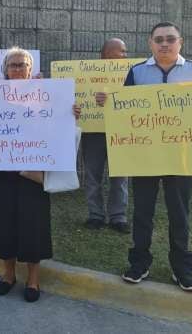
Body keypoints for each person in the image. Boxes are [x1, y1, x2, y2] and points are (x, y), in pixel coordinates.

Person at [96, 22, 192, 293]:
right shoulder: (137, 71)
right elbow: (124, 109)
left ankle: (182, 269)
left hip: (181, 157)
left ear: (180, 42)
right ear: (150, 43)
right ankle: (139, 263)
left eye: (170, 39)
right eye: (159, 39)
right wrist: (107, 101)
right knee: (142, 212)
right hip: (145, 157)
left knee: (180, 214)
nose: (165, 44)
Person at [0, 47, 80, 303]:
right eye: (13, 65)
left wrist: (71, 114)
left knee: (34, 225)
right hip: (0, 172)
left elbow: (59, 126)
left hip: (32, 172)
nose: (18, 69)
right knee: (2, 223)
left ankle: (33, 278)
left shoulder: (46, 96)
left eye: (22, 65)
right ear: (5, 71)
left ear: (31, 70)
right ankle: (8, 274)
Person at [82, 38, 130, 234]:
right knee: (93, 175)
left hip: (121, 131)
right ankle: (96, 215)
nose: (125, 55)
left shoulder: (131, 73)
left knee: (120, 176)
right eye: (122, 51)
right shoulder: (85, 74)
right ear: (106, 54)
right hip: (93, 131)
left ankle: (118, 217)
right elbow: (76, 98)